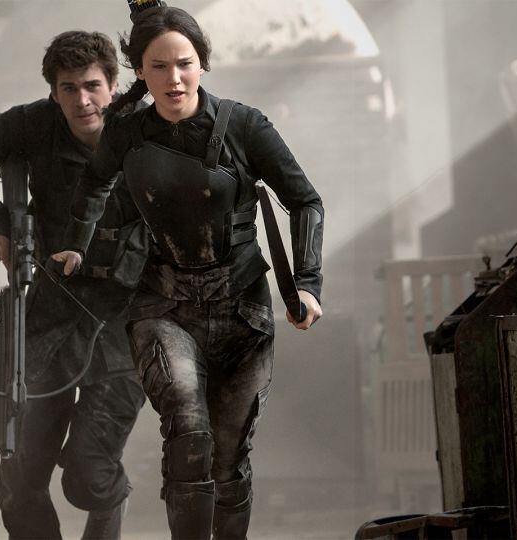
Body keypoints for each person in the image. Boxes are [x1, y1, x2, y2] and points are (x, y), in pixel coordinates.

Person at [52, 6, 325, 539]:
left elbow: (305, 201)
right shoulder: (126, 132)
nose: (173, 79)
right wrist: (75, 246)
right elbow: (94, 185)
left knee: (229, 459)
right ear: (140, 71)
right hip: (163, 306)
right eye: (158, 67)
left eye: (184, 64)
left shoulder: (245, 125)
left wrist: (308, 284)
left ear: (202, 63)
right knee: (188, 438)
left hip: (242, 310)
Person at [0, 30, 146, 540]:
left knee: (90, 476)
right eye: (68, 88)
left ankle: (108, 517)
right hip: (49, 316)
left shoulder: (148, 131)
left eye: (92, 86)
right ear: (53, 92)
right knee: (19, 479)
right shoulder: (33, 124)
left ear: (114, 86)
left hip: (125, 325)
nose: (82, 100)